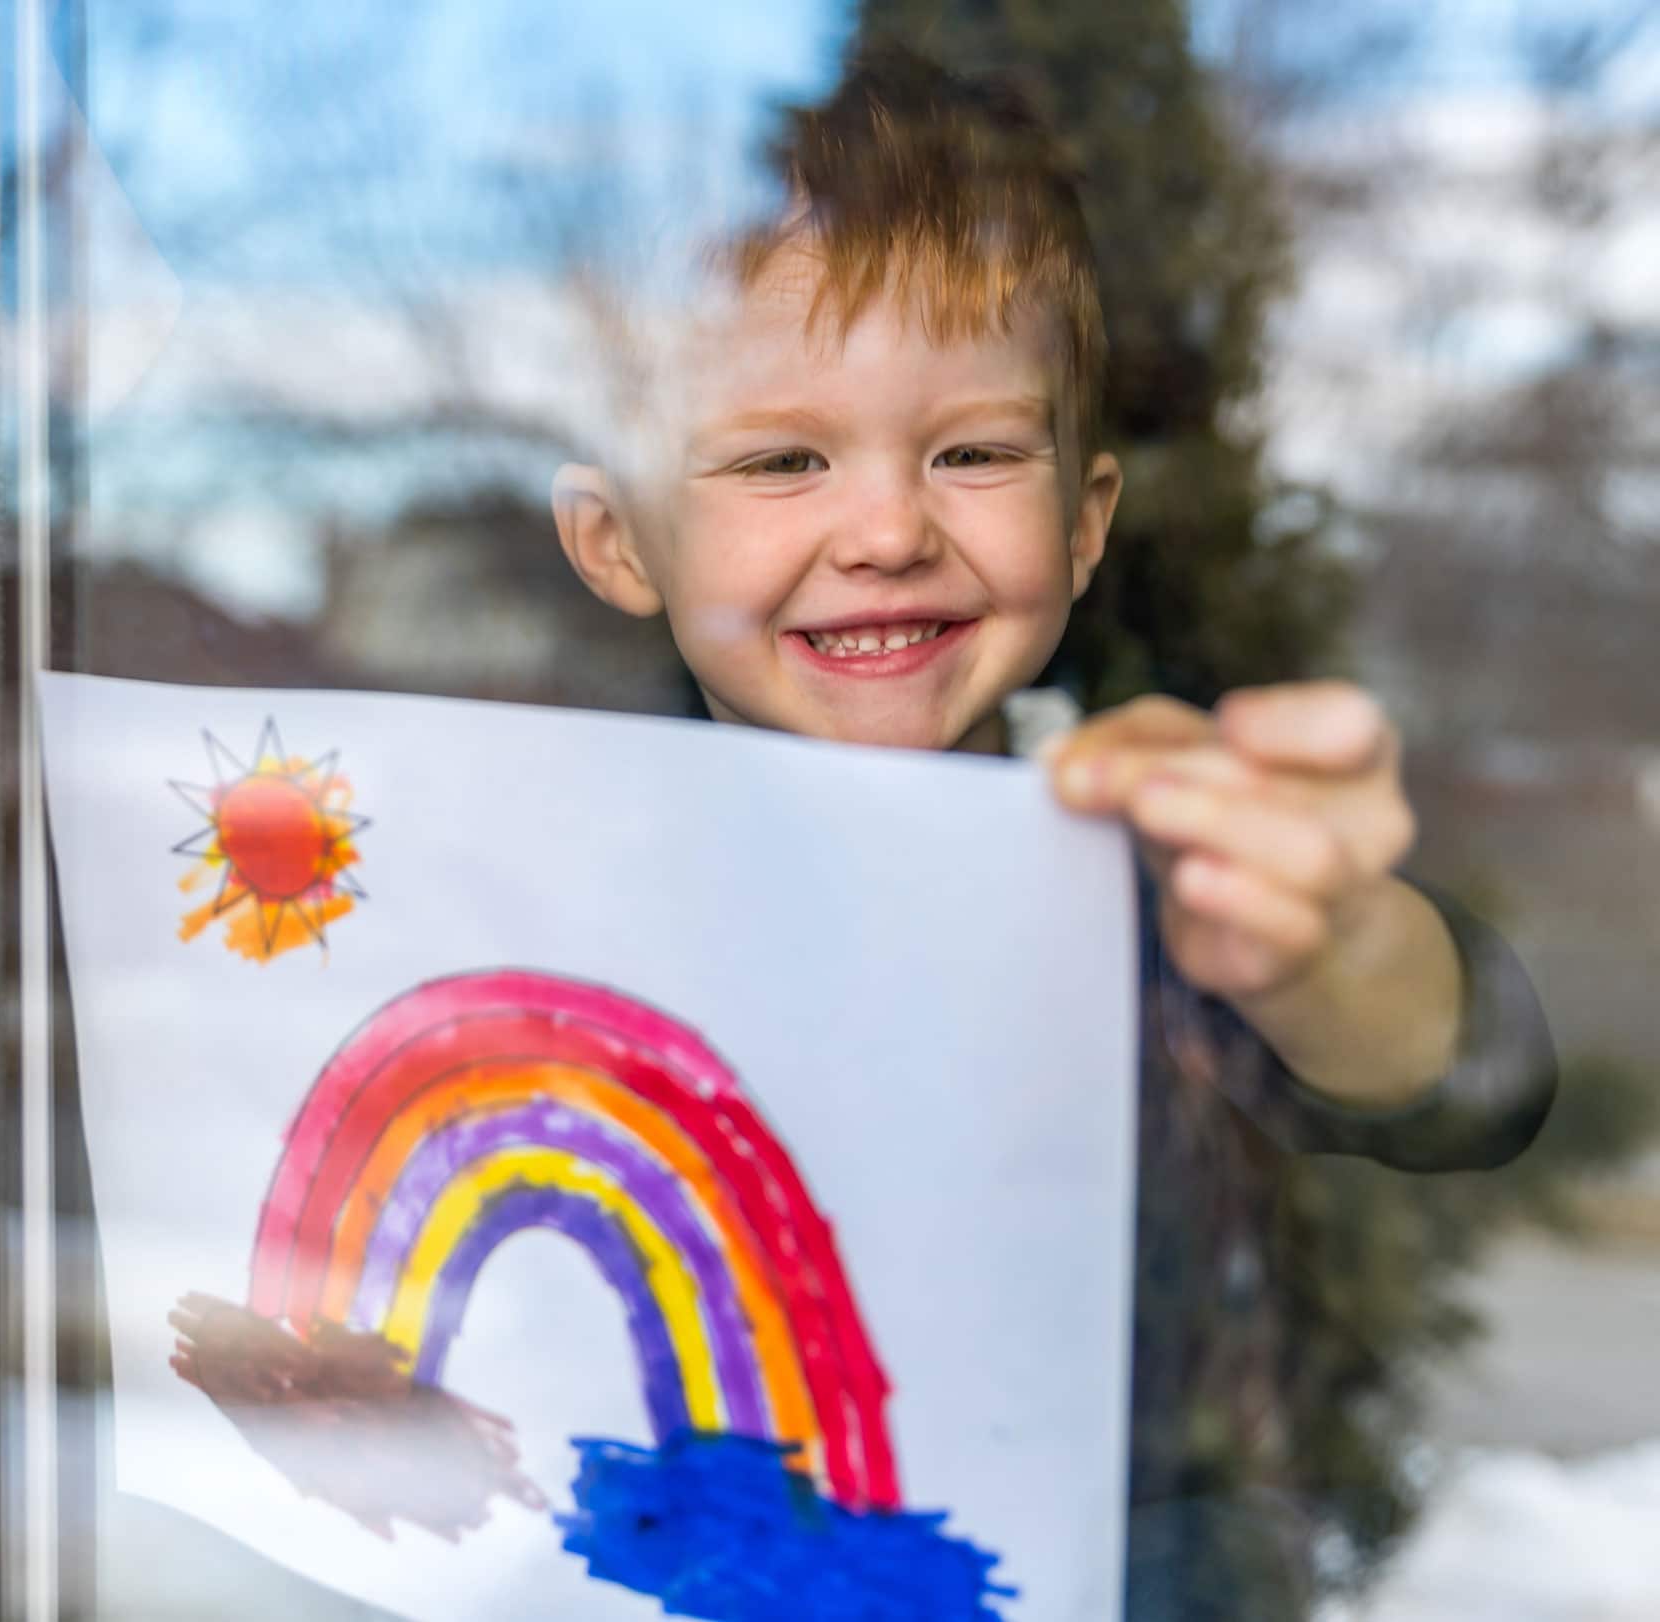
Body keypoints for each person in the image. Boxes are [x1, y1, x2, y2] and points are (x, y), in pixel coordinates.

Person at [545, 44, 1555, 1620]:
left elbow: (1460, 1078)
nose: (886, 530)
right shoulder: (546, 878)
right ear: (619, 542)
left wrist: (1334, 939)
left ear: (1081, 525)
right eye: (780, 459)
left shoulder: (1130, 835)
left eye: (972, 452)